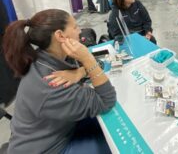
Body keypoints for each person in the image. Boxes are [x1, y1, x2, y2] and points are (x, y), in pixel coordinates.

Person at [2, 9, 116, 153]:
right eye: (75, 27)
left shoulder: (47, 58)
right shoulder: (51, 83)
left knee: (102, 123)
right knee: (113, 143)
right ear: (60, 35)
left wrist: (78, 72)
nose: (79, 30)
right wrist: (87, 58)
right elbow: (107, 100)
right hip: (50, 149)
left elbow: (98, 64)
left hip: (58, 130)